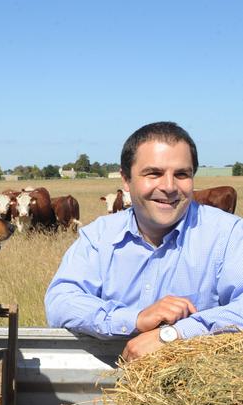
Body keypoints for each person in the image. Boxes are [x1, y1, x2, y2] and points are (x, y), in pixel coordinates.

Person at [45, 121, 243, 361]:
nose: (169, 187)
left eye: (181, 174)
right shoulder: (99, 236)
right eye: (154, 173)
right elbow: (61, 301)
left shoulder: (228, 234)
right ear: (126, 180)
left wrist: (175, 333)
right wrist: (134, 319)